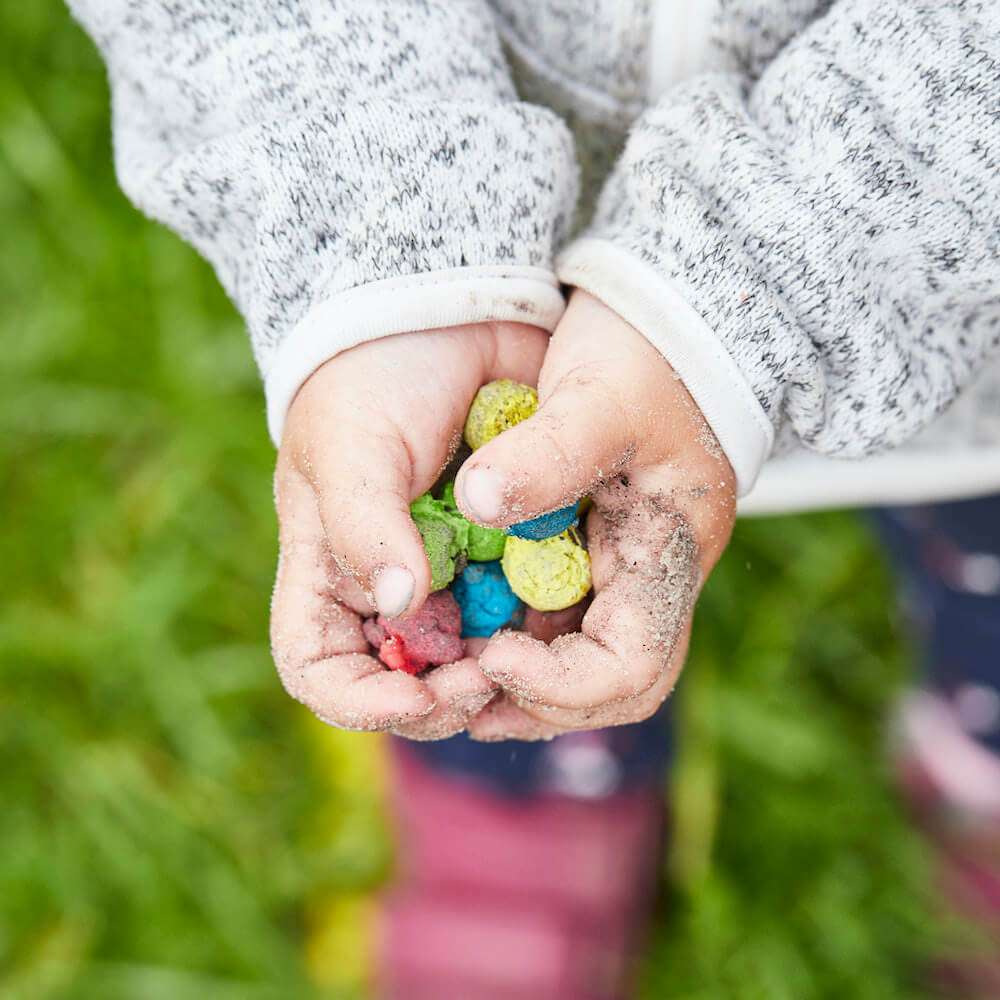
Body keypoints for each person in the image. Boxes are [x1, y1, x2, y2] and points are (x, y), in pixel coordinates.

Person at [68, 1, 1000, 996]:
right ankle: (533, 785)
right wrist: (388, 245)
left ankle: (980, 748)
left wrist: (758, 279)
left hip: (946, 316)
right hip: (472, 277)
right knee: (519, 661)